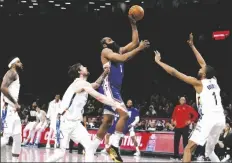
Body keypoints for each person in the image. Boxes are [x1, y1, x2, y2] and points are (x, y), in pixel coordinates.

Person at [154, 33, 225, 162]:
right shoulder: (213, 80)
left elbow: (174, 72)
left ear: (204, 74)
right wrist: (192, 46)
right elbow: (202, 62)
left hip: (208, 118)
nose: (199, 69)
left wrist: (159, 62)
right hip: (220, 119)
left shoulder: (198, 83)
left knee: (188, 149)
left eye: (201, 70)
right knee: (209, 152)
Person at [92, 16, 150, 162]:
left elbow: (135, 41)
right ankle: (113, 145)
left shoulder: (120, 50)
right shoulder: (106, 52)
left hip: (115, 88)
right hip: (109, 87)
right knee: (124, 114)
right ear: (105, 44)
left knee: (107, 122)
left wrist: (133, 25)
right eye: (109, 39)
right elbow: (124, 58)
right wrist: (139, 49)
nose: (112, 40)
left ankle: (91, 148)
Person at [45, 63, 126, 162]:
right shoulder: (79, 83)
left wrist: (105, 73)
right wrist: (116, 104)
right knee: (60, 154)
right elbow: (98, 96)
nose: (86, 67)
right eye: (83, 67)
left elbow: (96, 85)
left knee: (90, 148)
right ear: (80, 72)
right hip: (63, 123)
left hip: (75, 124)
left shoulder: (84, 84)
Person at [1, 57, 23, 162]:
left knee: (18, 138)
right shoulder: (11, 73)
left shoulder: (16, 75)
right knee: (5, 139)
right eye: (18, 62)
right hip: (8, 110)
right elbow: (3, 88)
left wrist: (16, 104)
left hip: (13, 111)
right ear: (13, 64)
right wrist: (15, 103)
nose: (21, 63)